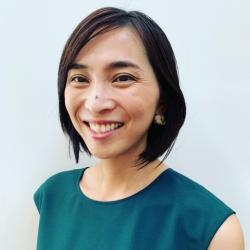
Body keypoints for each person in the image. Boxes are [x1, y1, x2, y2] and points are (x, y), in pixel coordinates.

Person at [33, 7, 244, 250]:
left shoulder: (212, 229)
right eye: (80, 79)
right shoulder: (51, 197)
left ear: (162, 100)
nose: (95, 103)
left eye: (122, 78)